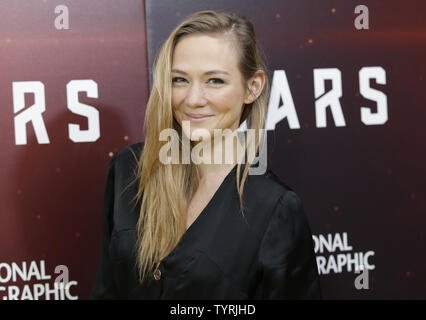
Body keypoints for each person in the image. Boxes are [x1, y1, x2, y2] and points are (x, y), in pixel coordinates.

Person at [90, 9, 321, 300]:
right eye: (180, 80)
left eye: (215, 81)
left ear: (253, 87)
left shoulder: (275, 209)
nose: (193, 99)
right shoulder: (129, 169)